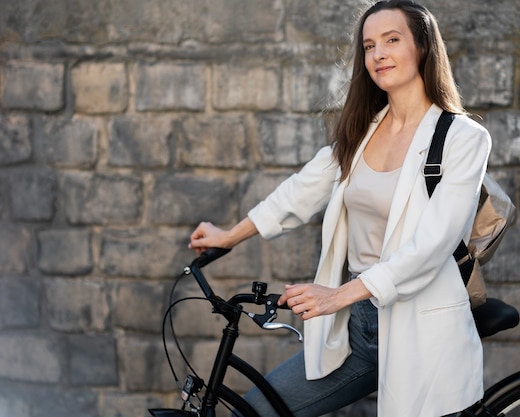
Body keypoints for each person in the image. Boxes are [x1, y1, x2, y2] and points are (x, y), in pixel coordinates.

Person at [189, 1, 490, 416]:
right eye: (369, 45)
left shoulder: (463, 138)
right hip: (360, 326)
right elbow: (300, 190)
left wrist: (336, 297)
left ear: (422, 47)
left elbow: (432, 245)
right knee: (256, 410)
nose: (378, 54)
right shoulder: (362, 130)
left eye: (392, 40)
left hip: (420, 326)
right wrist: (229, 236)